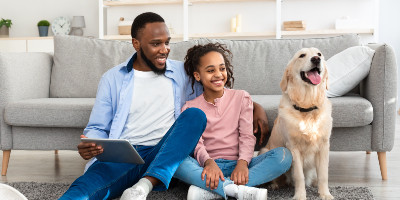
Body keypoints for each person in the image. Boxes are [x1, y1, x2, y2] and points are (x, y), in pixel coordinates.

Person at [59, 12, 269, 200]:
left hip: (169, 153)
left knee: (194, 116)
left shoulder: (182, 72)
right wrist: (92, 145)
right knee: (84, 189)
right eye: (156, 43)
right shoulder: (112, 78)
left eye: (167, 43)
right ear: (136, 43)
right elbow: (98, 127)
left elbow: (216, 91)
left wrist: (255, 106)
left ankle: (144, 186)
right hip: (127, 155)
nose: (164, 50)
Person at [173, 43, 293, 200]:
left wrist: (242, 164)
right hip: (207, 167)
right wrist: (209, 163)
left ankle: (212, 191)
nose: (218, 74)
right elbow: (197, 144)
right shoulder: (190, 107)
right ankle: (235, 190)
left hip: (239, 165)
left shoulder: (241, 97)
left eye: (222, 69)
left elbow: (246, 136)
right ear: (197, 76)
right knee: (175, 160)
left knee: (284, 155)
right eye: (210, 70)